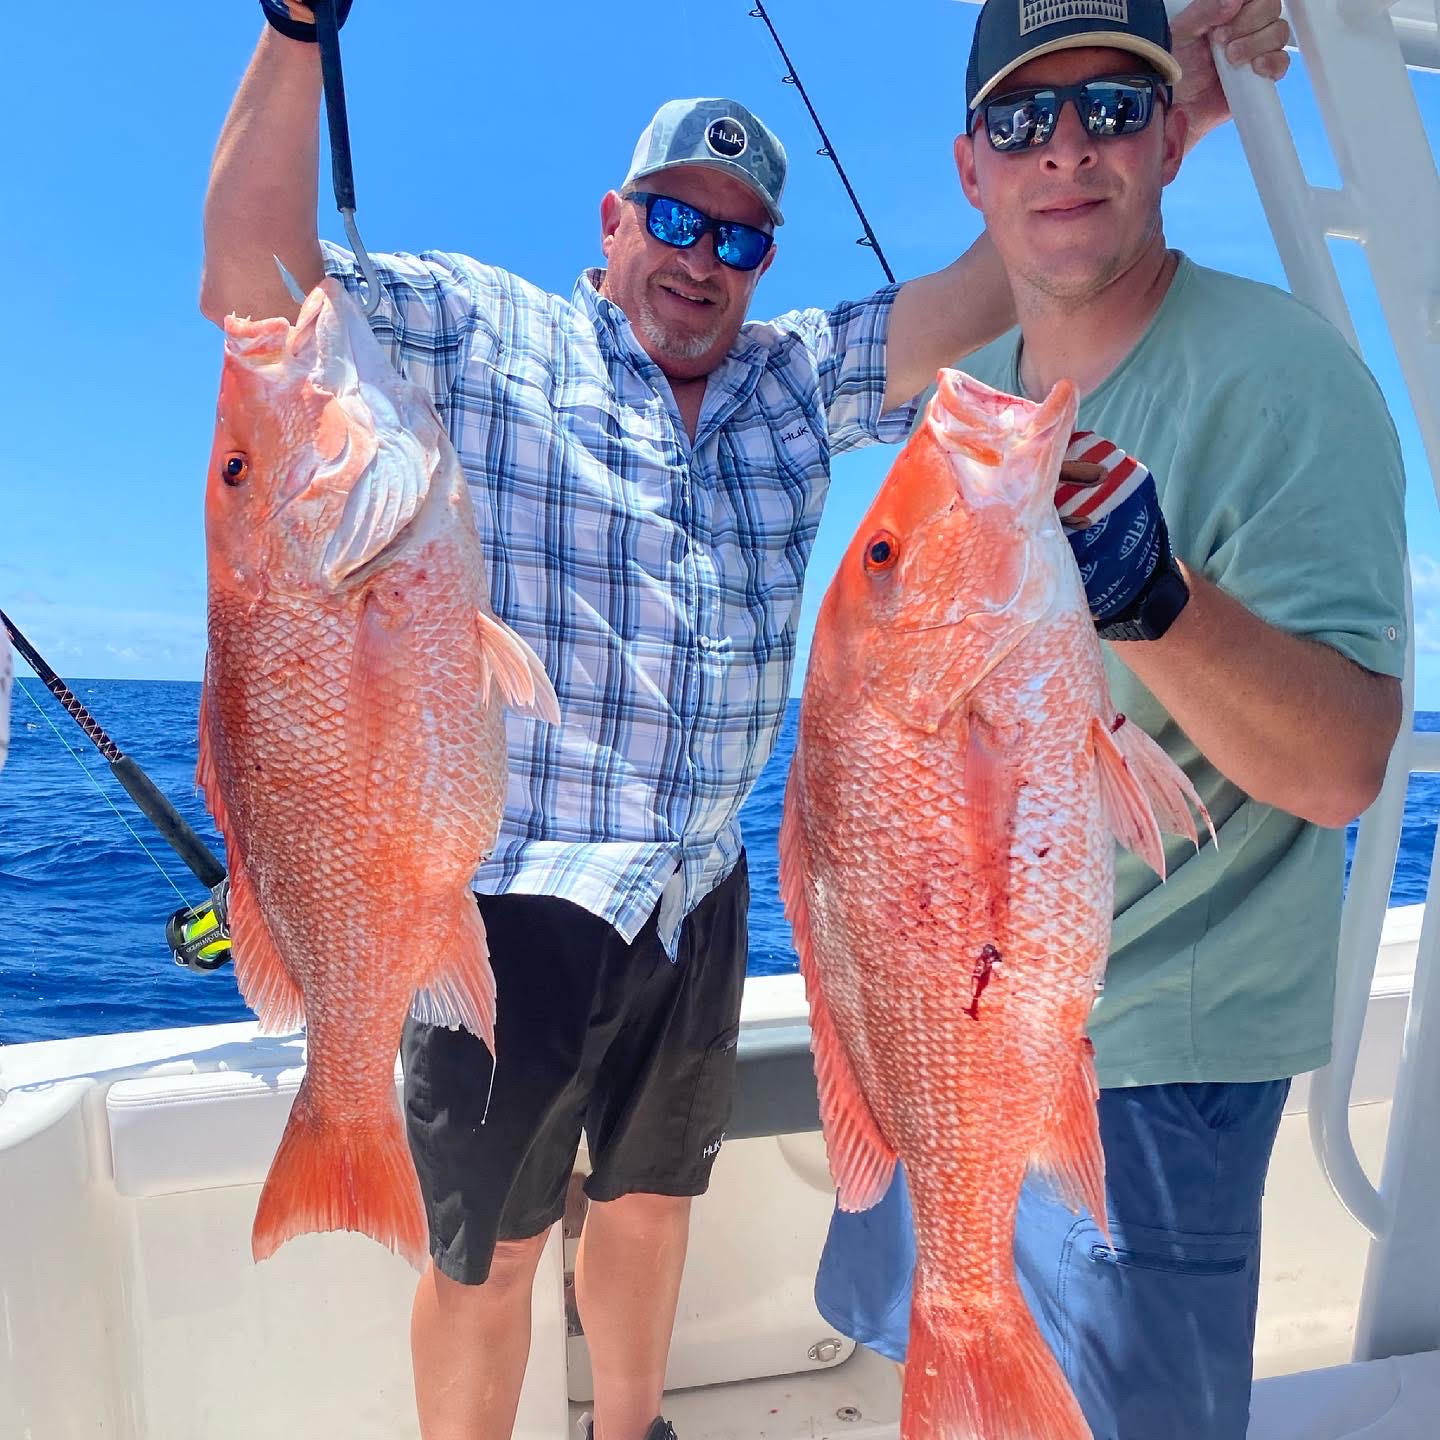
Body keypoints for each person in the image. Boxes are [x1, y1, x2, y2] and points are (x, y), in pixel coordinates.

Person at [199, 4, 1295, 1438]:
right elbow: (254, 282)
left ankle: (632, 1426)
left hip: (703, 892)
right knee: (493, 1251)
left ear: (762, 266)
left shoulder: (791, 381)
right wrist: (293, 35)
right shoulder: (490, 333)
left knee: (654, 1208)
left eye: (739, 240)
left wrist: (1177, 121)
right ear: (613, 219)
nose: (701, 262)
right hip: (520, 889)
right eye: (674, 218)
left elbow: (989, 288)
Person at [811, 2, 1408, 1437]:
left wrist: (1158, 599)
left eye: (1113, 111)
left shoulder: (1283, 383)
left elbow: (1342, 765)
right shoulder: (988, 406)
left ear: (1166, 141)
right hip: (942, 1030)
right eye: (1023, 121)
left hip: (1151, 1076)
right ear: (972, 169)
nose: (1064, 150)